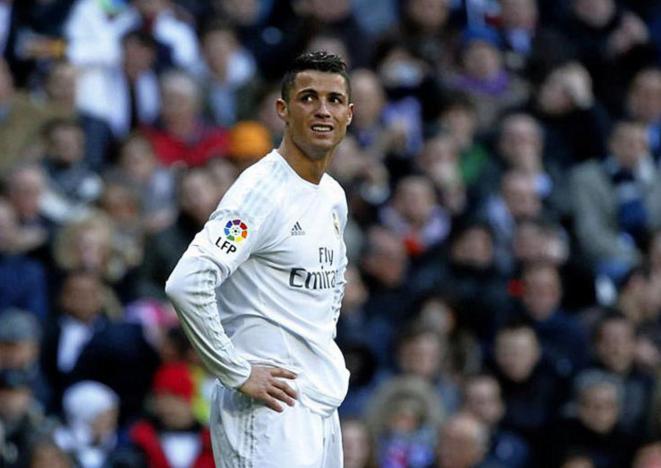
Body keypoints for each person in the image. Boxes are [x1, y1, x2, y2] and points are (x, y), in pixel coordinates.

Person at [165, 51, 354, 467]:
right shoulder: (260, 193)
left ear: (349, 114)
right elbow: (187, 282)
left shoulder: (332, 195)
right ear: (282, 110)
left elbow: (332, 287)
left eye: (334, 100)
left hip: (319, 401)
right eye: (308, 98)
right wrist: (235, 370)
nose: (323, 110)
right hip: (270, 409)